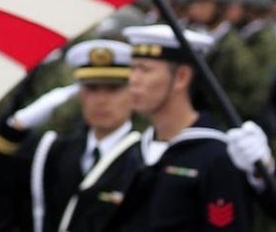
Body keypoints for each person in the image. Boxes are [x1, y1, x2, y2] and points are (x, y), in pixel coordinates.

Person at [0, 39, 142, 232]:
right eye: (92, 89)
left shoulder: (144, 155)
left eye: (113, 89)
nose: (101, 100)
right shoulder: (51, 151)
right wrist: (16, 126)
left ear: (133, 93)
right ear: (79, 94)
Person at [106, 24, 257, 231]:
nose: (134, 80)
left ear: (181, 77)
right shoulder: (137, 149)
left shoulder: (215, 156)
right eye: (132, 69)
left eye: (145, 69)